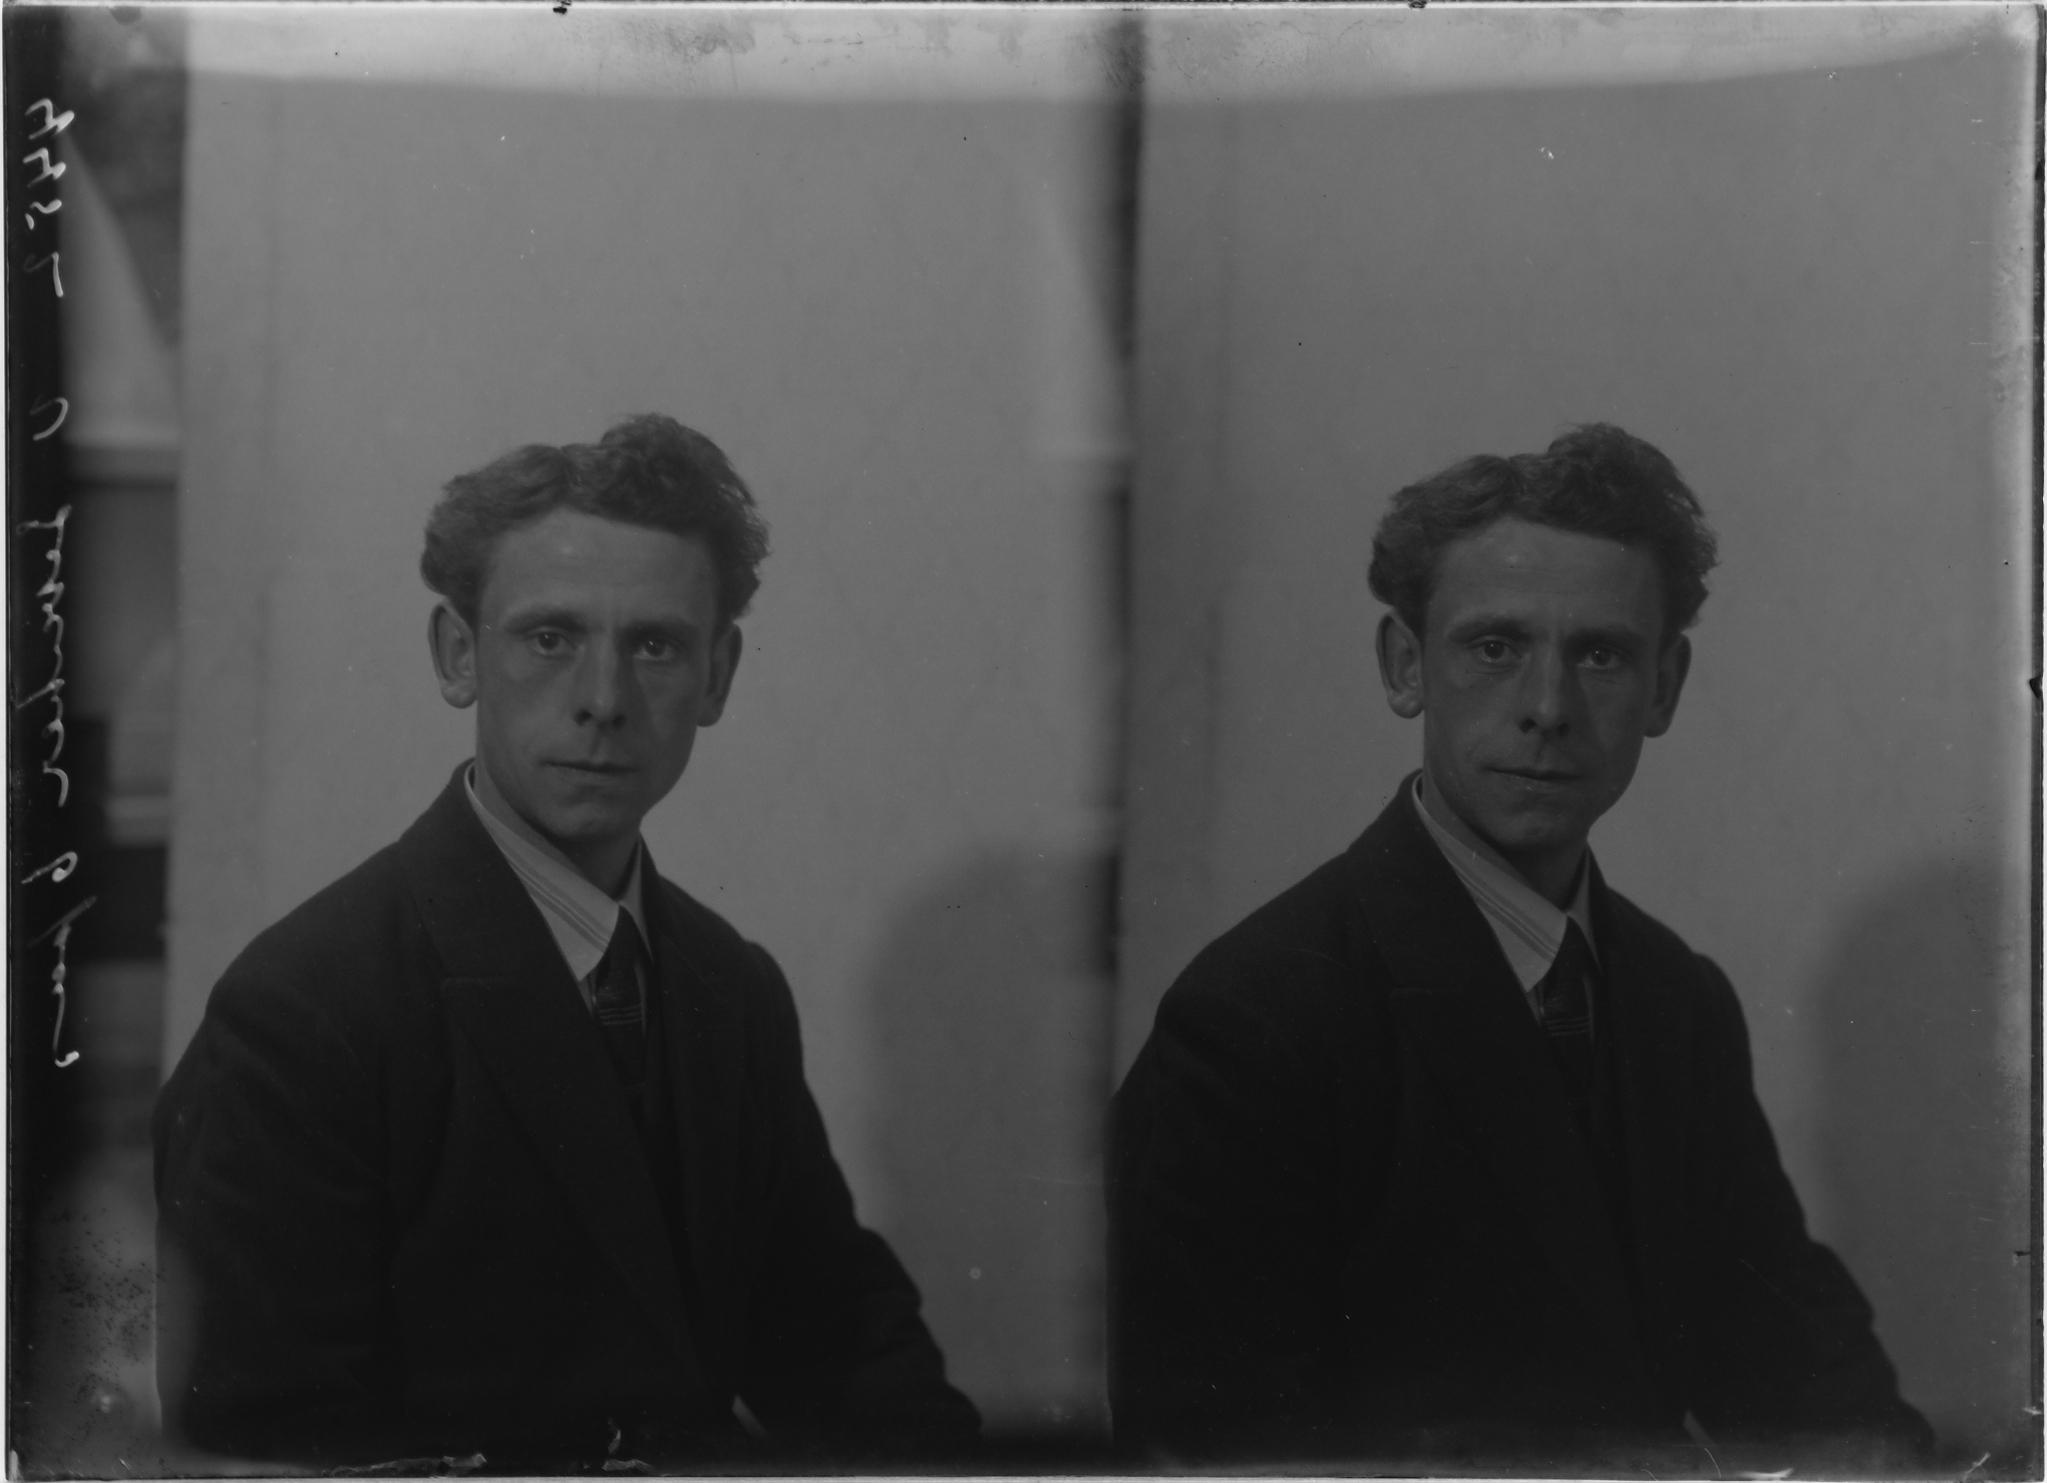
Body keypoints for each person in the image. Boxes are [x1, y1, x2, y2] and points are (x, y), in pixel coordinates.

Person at [154, 415, 979, 1470]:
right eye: (550, 638)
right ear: (459, 655)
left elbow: (839, 1340)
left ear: (717, 675)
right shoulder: (306, 1010)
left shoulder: (730, 987)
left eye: (655, 645)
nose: (603, 701)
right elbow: (263, 1448)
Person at [1107, 425, 1932, 1472]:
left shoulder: (1676, 1002)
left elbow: (1811, 1378)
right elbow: (1209, 1463)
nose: (1547, 709)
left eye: (1600, 654)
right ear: (1405, 665)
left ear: (1664, 686)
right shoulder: (1255, 1020)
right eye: (1495, 647)